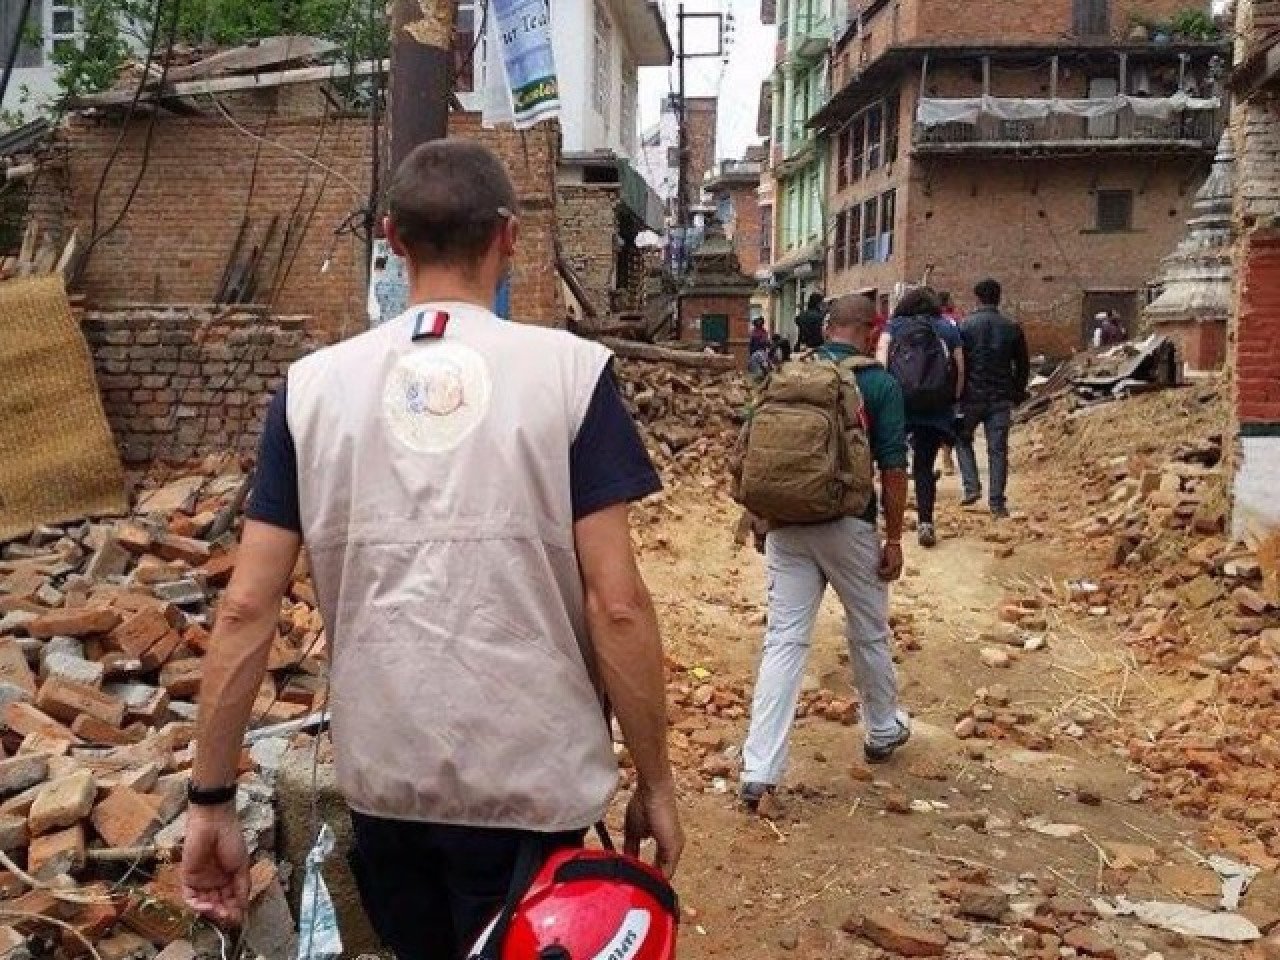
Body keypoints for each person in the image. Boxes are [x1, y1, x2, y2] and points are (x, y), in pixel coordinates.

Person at [181, 140, 684, 959]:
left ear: (392, 238)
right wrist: (655, 780)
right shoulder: (570, 376)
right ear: (510, 238)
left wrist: (209, 800)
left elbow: (245, 606)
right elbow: (617, 603)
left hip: (386, 787)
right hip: (532, 788)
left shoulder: (310, 390)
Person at [740, 295, 912, 811]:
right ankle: (881, 728)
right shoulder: (878, 384)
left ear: (827, 328)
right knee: (868, 630)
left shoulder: (789, 375)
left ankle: (759, 768)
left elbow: (754, 451)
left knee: (784, 640)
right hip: (848, 526)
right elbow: (893, 467)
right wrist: (894, 537)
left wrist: (760, 515)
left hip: (787, 523)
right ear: (870, 331)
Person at [877, 287, 964, 549]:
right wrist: (954, 399)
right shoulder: (947, 328)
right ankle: (926, 521)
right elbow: (960, 367)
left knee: (892, 462)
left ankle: (885, 516)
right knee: (924, 466)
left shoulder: (893, 327)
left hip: (899, 405)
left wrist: (884, 402)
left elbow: (881, 363)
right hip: (935, 408)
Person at [955, 278, 1030, 520]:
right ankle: (997, 504)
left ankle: (971, 486)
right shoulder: (1011, 327)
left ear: (977, 299)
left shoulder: (965, 327)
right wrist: (1017, 392)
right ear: (999, 298)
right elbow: (1023, 365)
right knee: (997, 450)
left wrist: (956, 394)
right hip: (1000, 398)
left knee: (961, 438)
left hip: (971, 397)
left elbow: (958, 364)